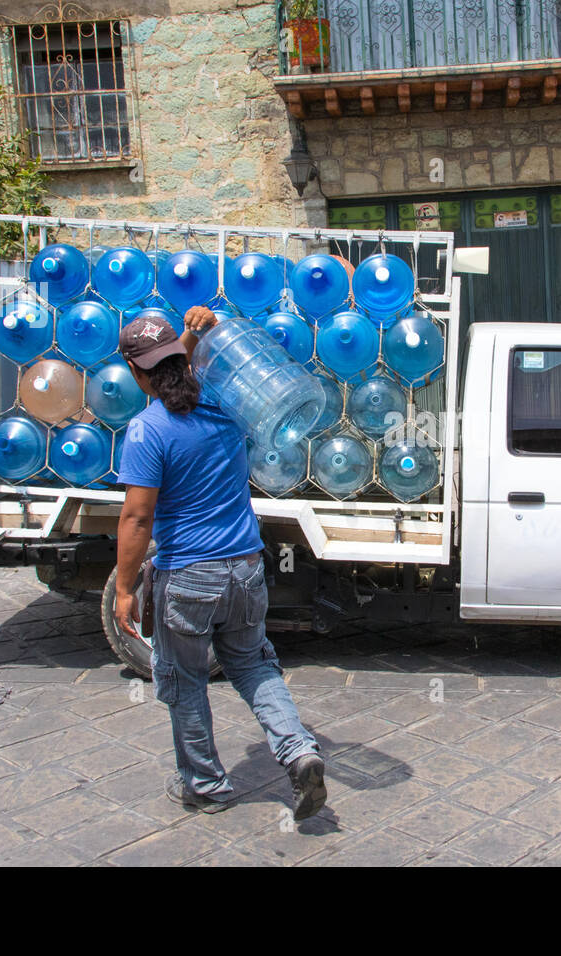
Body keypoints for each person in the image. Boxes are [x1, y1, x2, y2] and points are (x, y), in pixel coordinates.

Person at [113, 306, 327, 820]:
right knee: (254, 665)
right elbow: (177, 371)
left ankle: (206, 785)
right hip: (246, 569)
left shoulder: (147, 431)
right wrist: (188, 335)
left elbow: (137, 520)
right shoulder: (225, 407)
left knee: (185, 682)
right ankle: (299, 750)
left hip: (188, 577)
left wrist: (124, 590)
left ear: (136, 374)